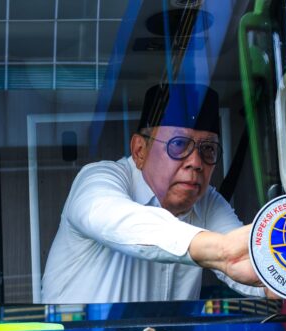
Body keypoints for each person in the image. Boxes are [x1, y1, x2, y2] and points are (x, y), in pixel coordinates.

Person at [41, 83, 264, 303]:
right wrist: (221, 249)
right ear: (140, 150)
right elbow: (117, 220)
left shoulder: (206, 201)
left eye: (208, 149)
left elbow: (249, 263)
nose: (196, 163)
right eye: (178, 144)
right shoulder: (97, 179)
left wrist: (275, 277)